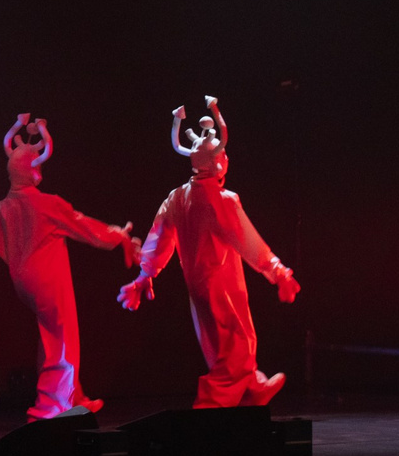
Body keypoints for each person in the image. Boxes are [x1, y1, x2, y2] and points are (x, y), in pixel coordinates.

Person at [0, 114, 138, 419]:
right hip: (46, 279)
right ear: (33, 173)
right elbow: (83, 226)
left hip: (23, 284)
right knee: (63, 336)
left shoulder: (2, 207)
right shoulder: (46, 203)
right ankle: (51, 405)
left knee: (52, 335)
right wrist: (118, 236)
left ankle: (74, 396)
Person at [119, 95, 301, 407]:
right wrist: (279, 272)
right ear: (218, 162)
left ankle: (253, 387)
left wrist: (144, 276)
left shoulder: (177, 198)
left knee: (224, 347)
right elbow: (250, 242)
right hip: (220, 287)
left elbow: (158, 239)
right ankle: (209, 408)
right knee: (236, 349)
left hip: (199, 289)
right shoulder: (222, 200)